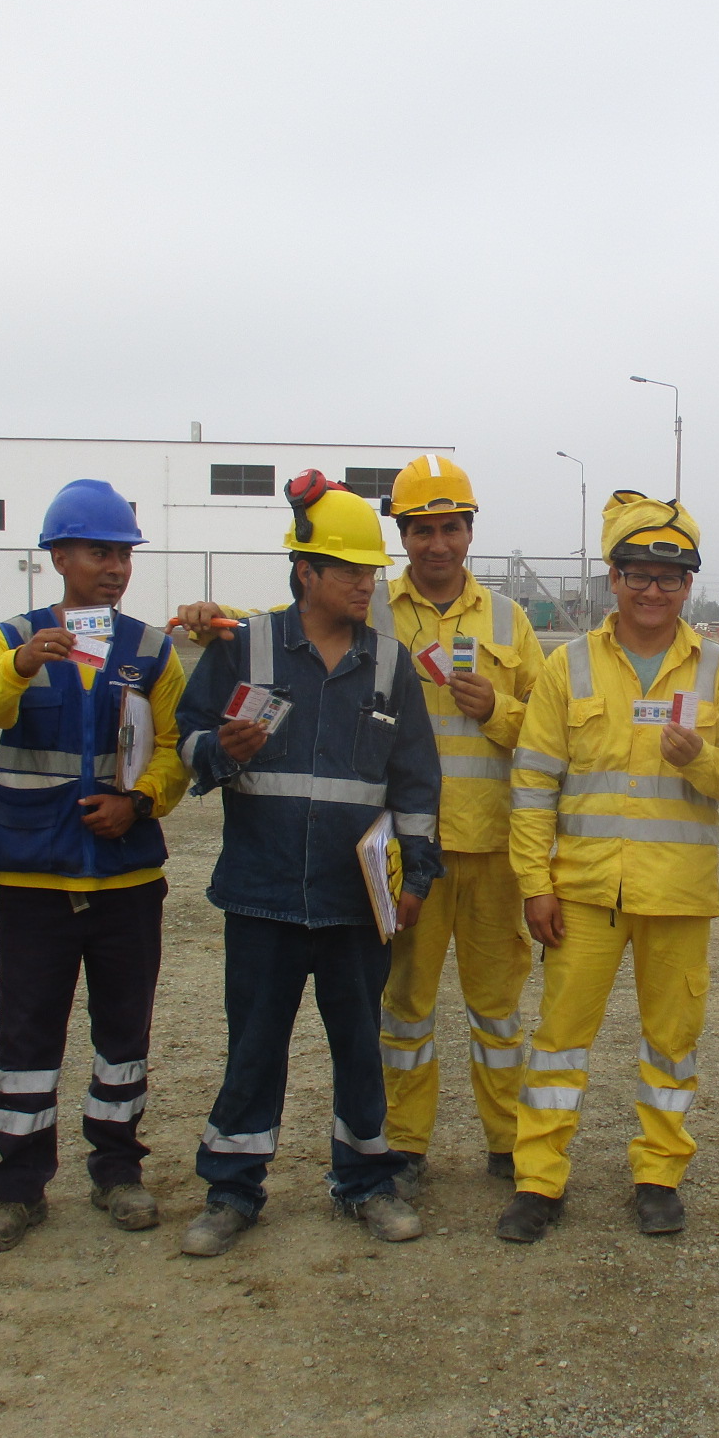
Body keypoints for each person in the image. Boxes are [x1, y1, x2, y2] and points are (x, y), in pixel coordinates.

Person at [175, 473, 442, 1252]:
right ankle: (231, 1190)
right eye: (351, 571)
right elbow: (187, 742)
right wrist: (218, 750)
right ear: (306, 572)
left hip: (356, 901)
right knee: (253, 1047)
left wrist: (416, 877)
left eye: (371, 572)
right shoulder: (245, 647)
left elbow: (416, 782)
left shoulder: (391, 667)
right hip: (261, 895)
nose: (367, 585)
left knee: (361, 1049)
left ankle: (365, 1181)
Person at [499, 491, 719, 1242]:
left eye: (670, 578)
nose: (654, 591)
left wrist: (703, 760)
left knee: (671, 1043)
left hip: (677, 897)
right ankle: (539, 1181)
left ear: (690, 586)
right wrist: (535, 884)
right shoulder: (569, 666)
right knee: (557, 1040)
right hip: (582, 894)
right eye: (638, 574)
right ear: (611, 579)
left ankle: (659, 1175)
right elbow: (533, 784)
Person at [0, 479, 190, 1253]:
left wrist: (141, 803)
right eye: (98, 552)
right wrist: (22, 663)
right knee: (25, 1037)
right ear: (58, 557)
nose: (114, 567)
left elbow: (176, 753)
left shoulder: (151, 651)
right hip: (34, 880)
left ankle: (117, 1170)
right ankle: (18, 1188)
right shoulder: (10, 636)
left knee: (123, 1032)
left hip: (124, 879)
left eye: (123, 553)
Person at [368, 455, 545, 1193]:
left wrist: (497, 711)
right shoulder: (373, 611)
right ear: (402, 535)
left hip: (493, 848)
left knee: (498, 1007)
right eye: (422, 530)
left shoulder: (510, 620)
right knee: (404, 1005)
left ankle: (508, 1142)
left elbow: (549, 731)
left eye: (450, 528)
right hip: (410, 850)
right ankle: (404, 1145)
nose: (437, 544)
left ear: (470, 531)